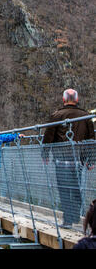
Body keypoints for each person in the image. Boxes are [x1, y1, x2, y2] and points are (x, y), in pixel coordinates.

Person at [42, 89, 95, 228]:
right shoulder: (85, 116)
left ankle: (68, 220)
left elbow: (48, 137)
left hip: (61, 160)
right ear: (77, 100)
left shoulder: (57, 115)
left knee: (64, 189)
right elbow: (91, 140)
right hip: (79, 160)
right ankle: (76, 216)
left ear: (64, 100)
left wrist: (45, 154)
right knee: (76, 187)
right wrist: (92, 159)